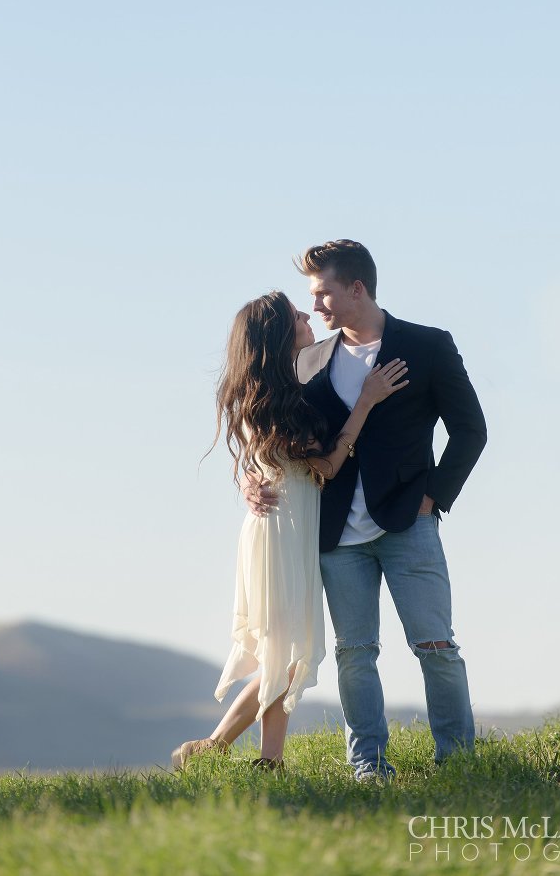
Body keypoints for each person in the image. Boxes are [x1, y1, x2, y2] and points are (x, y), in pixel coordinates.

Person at [244, 241, 487, 780]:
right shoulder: (308, 361)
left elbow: (471, 431)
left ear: (356, 287)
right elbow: (277, 432)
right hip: (335, 535)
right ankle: (368, 767)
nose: (316, 307)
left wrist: (434, 496)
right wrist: (253, 477)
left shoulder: (428, 346)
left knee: (436, 645)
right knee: (355, 656)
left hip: (409, 523)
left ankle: (458, 761)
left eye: (323, 292)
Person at [171, 290, 408, 772]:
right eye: (297, 316)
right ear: (280, 336)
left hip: (287, 528)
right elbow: (327, 465)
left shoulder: (281, 393)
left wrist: (251, 477)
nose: (307, 316)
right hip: (281, 531)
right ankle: (267, 762)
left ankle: (212, 749)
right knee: (288, 650)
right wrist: (365, 403)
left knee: (288, 651)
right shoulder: (281, 401)